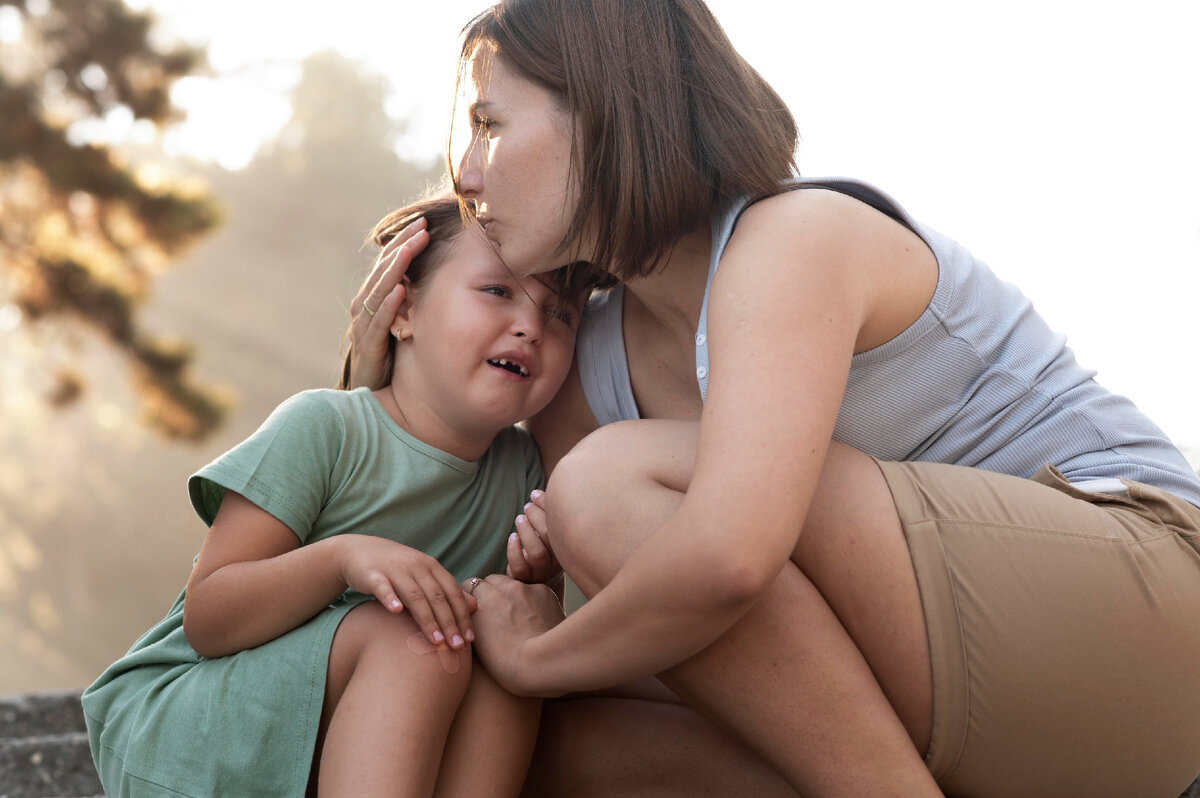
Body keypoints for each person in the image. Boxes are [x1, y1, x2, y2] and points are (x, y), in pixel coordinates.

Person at [347, 2, 1200, 797]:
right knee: (563, 746)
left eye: (489, 124)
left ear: (606, 114)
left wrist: (538, 658)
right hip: (981, 703)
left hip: (1148, 606)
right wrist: (388, 389)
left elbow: (726, 560)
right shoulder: (589, 366)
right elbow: (630, 625)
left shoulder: (793, 239)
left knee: (607, 492)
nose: (464, 172)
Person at [81, 192, 592, 798]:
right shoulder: (326, 427)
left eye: (559, 313)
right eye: (498, 291)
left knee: (499, 655)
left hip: (358, 737)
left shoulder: (525, 473)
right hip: (193, 725)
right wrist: (343, 557)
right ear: (401, 311)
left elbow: (526, 623)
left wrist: (534, 584)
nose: (531, 326)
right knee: (418, 640)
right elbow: (209, 619)